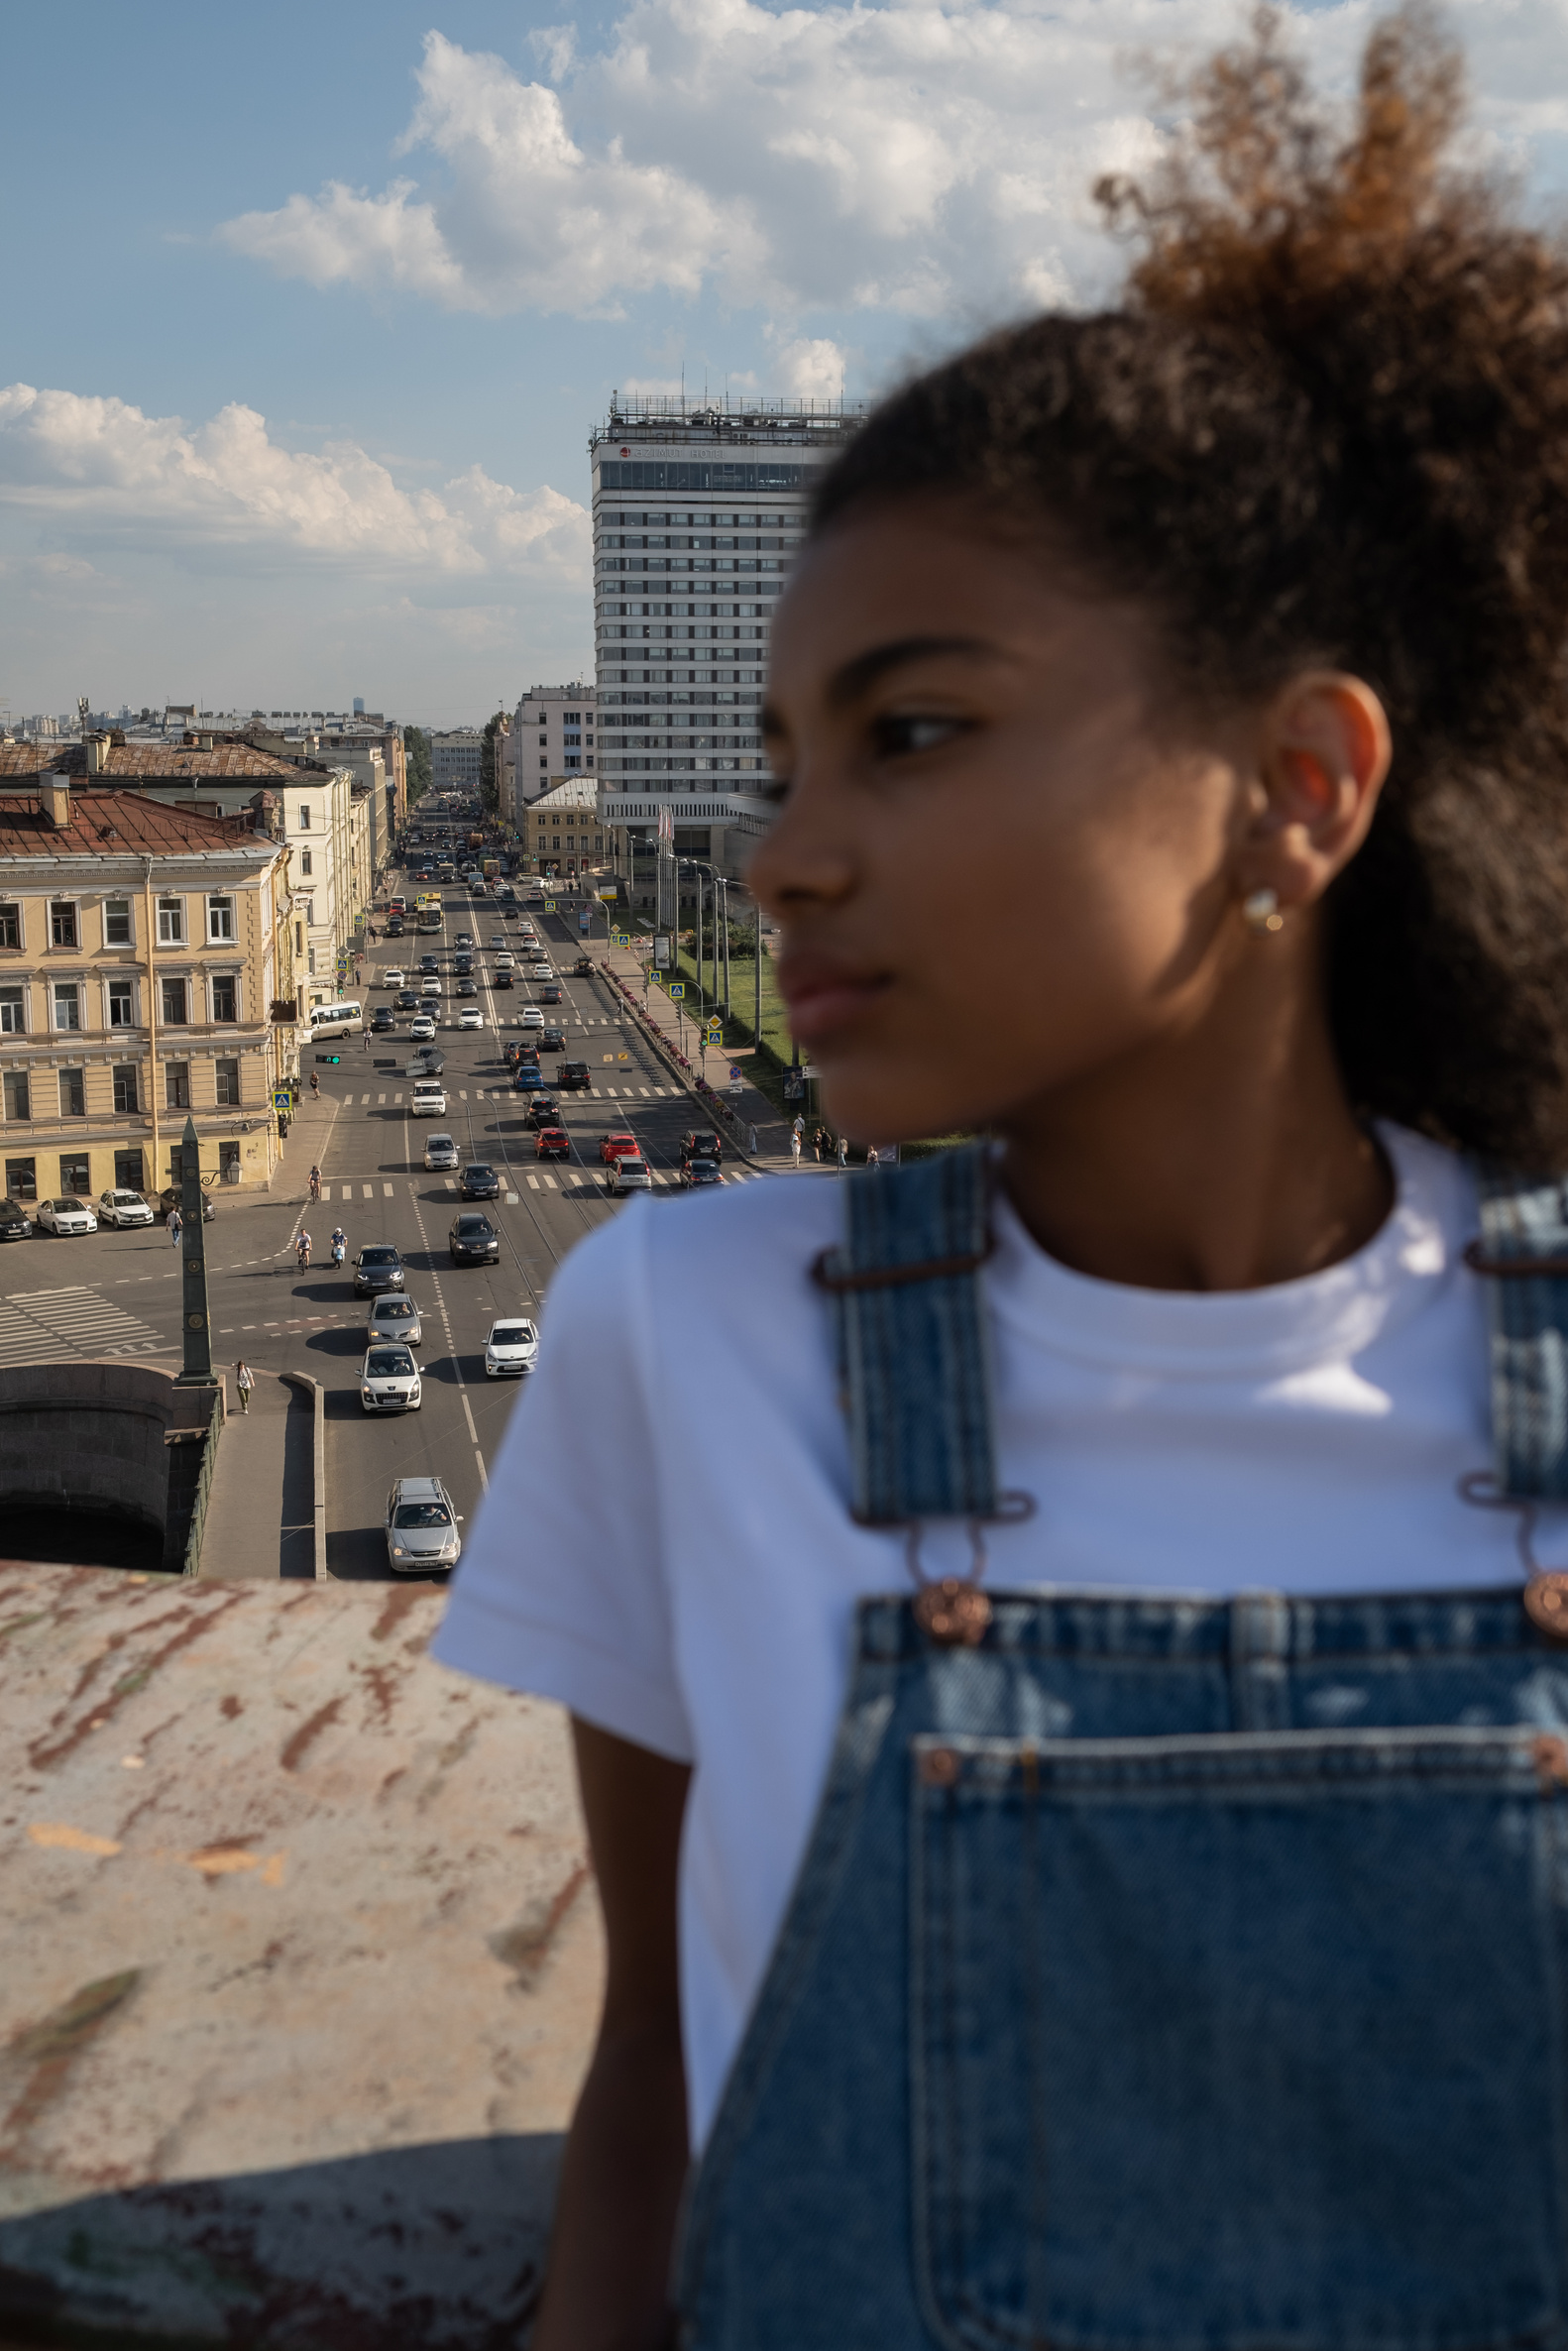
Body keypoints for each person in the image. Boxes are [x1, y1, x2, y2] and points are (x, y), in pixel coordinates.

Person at [435, 15, 1568, 2342]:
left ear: (1297, 781)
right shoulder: (690, 1334)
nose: (784, 853)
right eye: (778, 759)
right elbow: (649, 2085)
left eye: (913, 731)